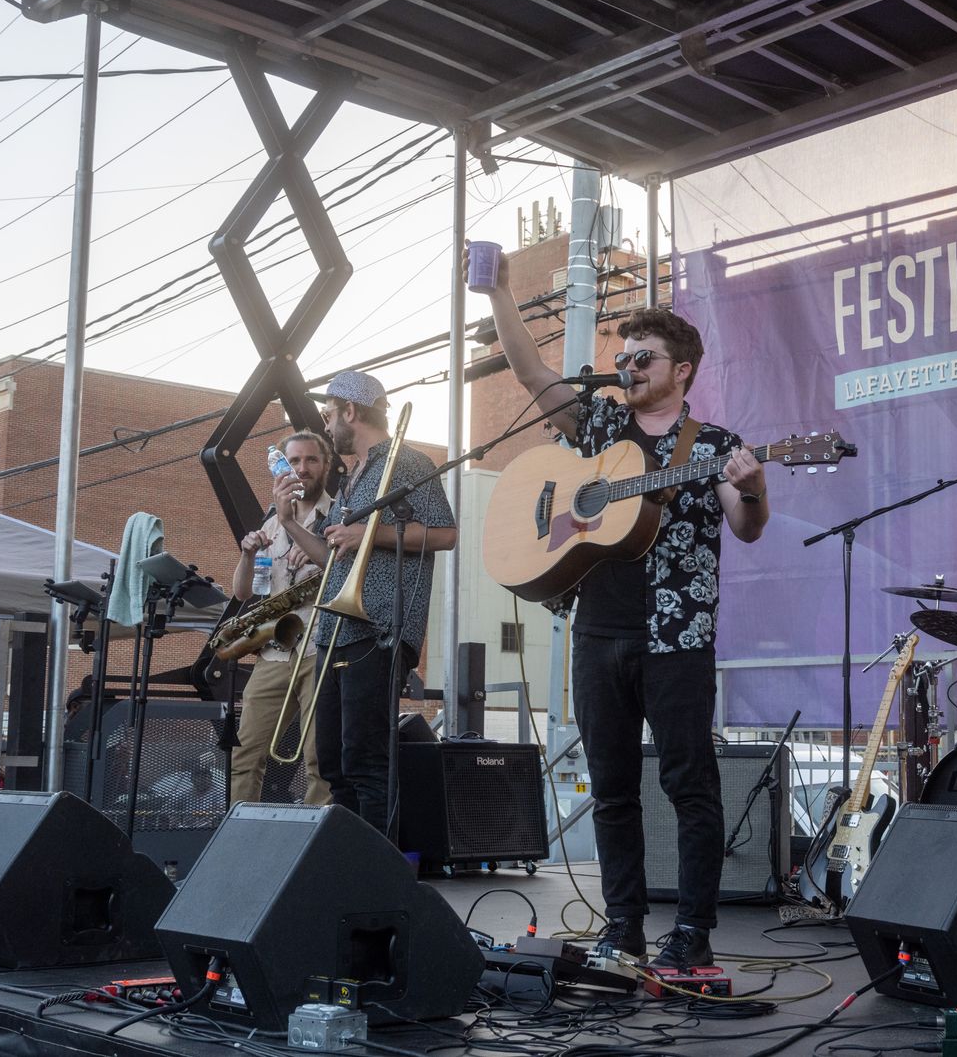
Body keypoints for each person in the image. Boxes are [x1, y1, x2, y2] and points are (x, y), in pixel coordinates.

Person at [470, 245, 770, 970]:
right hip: (598, 632)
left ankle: (692, 931)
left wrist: (755, 487)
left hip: (677, 638)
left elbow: (746, 525)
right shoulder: (601, 429)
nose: (628, 366)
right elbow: (531, 374)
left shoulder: (714, 445)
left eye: (643, 358)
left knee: (689, 787)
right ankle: (623, 926)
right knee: (611, 791)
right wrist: (500, 295)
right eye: (624, 357)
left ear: (682, 371)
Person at [274, 372, 457, 837]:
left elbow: (445, 534)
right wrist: (289, 523)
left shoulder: (407, 461)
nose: (327, 424)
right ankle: (350, 861)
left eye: (329, 414)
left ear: (351, 411)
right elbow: (332, 558)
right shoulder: (352, 477)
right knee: (334, 765)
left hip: (378, 630)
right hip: (336, 631)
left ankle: (375, 870)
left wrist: (367, 534)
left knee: (366, 762)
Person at [228, 430, 334, 807]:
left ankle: (316, 835)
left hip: (318, 647)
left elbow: (341, 570)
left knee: (318, 758)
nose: (302, 469)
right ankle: (239, 830)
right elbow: (243, 593)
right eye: (294, 461)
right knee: (244, 753)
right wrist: (247, 555)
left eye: (311, 460)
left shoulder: (339, 515)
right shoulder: (271, 523)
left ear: (326, 465)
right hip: (275, 651)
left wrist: (293, 524)